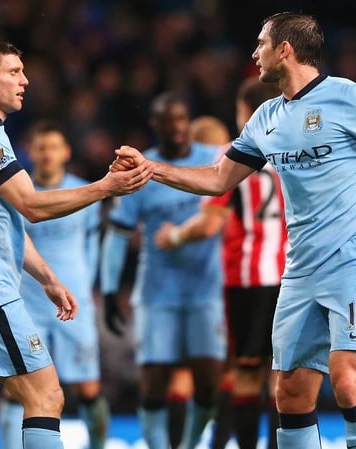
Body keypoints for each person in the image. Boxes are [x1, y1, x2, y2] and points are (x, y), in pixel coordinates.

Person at [113, 12, 356, 449]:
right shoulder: (266, 117)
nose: (254, 53)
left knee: (349, 381)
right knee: (289, 393)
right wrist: (151, 169)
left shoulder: (351, 97)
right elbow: (218, 178)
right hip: (299, 271)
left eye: (261, 44)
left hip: (354, 259)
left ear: (285, 49)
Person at [0, 38, 150, 449]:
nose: (26, 80)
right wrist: (106, 187)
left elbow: (6, 221)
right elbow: (32, 205)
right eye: (14, 72)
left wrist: (47, 278)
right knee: (46, 394)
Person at [154, 78, 285, 449]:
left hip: (245, 278)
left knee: (243, 373)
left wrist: (175, 235)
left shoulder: (234, 153)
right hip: (290, 276)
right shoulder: (294, 149)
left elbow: (211, 221)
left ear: (246, 111)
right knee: (282, 374)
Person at [100, 92, 226, 449]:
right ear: (155, 125)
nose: (177, 127)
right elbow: (119, 233)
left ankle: (188, 445)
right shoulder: (139, 169)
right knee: (154, 381)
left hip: (208, 290)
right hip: (157, 292)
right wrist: (109, 290)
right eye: (168, 121)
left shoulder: (214, 161)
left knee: (208, 382)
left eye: (182, 119)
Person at [0, 120, 111, 449]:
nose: (47, 154)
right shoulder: (18, 195)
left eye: (53, 147)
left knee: (88, 388)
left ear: (66, 152)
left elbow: (93, 248)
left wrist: (86, 287)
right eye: (41, 147)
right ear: (31, 152)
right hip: (27, 304)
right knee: (17, 388)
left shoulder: (83, 192)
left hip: (76, 302)